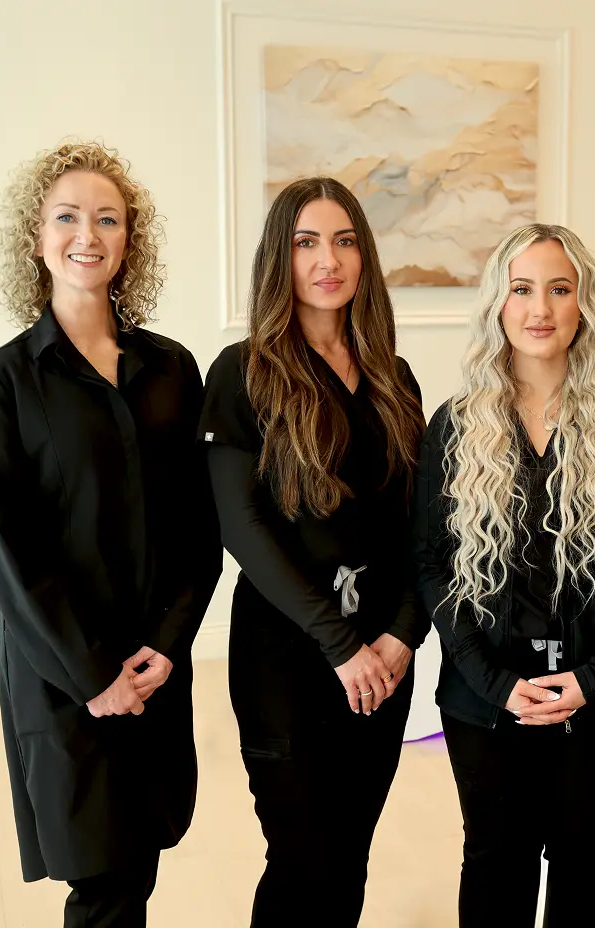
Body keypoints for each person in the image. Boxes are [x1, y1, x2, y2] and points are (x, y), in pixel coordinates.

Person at [0, 140, 221, 927]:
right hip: (64, 671)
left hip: (154, 664)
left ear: (129, 241)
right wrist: (92, 671)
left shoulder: (171, 369)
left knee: (135, 867)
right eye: (67, 217)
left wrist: (170, 643)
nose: (88, 235)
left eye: (108, 219)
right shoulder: (2, 381)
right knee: (100, 881)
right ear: (36, 238)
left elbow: (199, 523)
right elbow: (6, 550)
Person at [413, 223, 595, 928]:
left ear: (582, 304)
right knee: (495, 860)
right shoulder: (454, 425)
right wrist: (495, 684)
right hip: (485, 698)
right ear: (496, 303)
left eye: (560, 289)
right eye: (522, 289)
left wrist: (594, 678)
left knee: (587, 861)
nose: (540, 308)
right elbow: (432, 566)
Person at [199, 176, 427, 927]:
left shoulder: (393, 377)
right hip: (287, 656)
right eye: (306, 243)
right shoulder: (242, 372)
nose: (328, 260)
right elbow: (243, 528)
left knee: (350, 853)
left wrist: (403, 632)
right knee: (302, 858)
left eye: (344, 241)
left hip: (383, 657)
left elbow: (421, 525)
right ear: (281, 257)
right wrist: (341, 645)